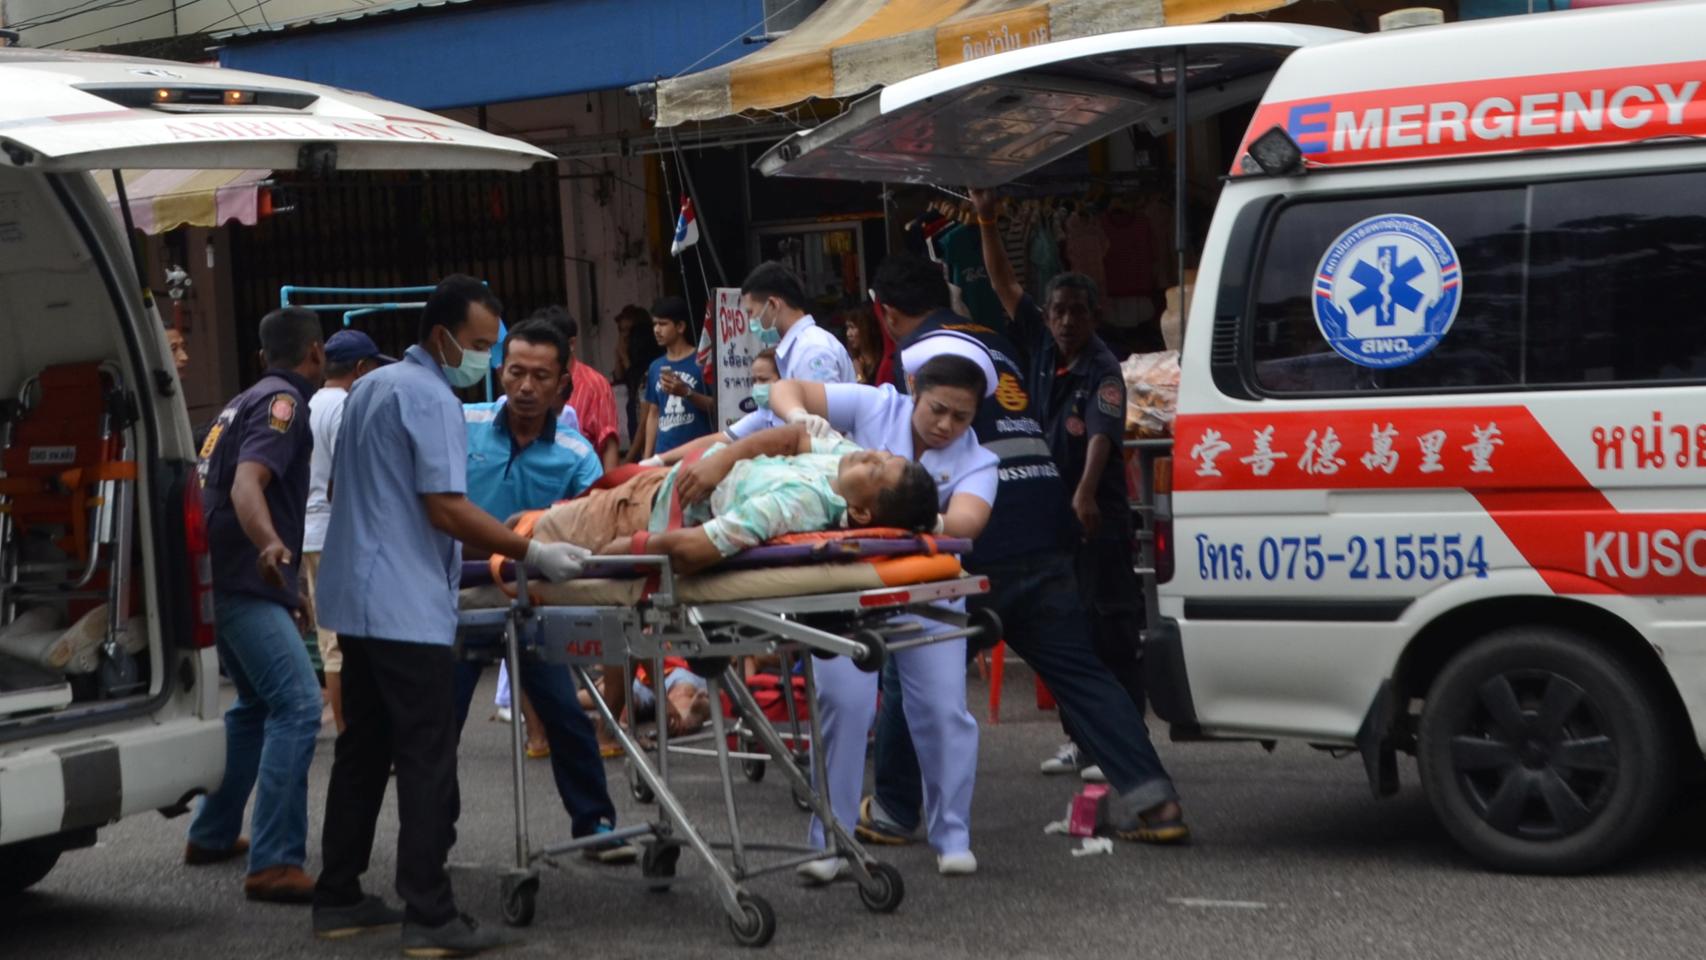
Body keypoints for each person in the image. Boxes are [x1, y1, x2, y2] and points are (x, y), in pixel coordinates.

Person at [861, 251, 1189, 849]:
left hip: (978, 528)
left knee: (912, 666)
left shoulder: (920, 360)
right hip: (1044, 517)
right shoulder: (996, 341)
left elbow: (905, 454)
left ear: (886, 315)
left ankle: (891, 809)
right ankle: (1155, 801)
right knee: (1081, 674)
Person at [311, 275, 589, 956]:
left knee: (366, 748)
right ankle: (430, 912)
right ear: (441, 338)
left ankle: (340, 894)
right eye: (480, 346)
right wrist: (534, 552)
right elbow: (445, 508)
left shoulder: (371, 386)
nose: (488, 364)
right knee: (428, 756)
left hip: (357, 595)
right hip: (404, 604)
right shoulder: (432, 396)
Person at [976, 187, 1181, 818]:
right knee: (1067, 634)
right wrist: (985, 220)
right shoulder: (1038, 344)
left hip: (1094, 521)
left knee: (1108, 630)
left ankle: (1123, 743)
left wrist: (1086, 494)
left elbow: (1102, 434)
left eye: (1075, 314)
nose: (1064, 322)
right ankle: (1080, 738)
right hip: (1050, 518)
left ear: (1094, 319)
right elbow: (1006, 283)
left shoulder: (1102, 368)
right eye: (1058, 311)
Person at [760, 355, 998, 878]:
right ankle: (831, 841)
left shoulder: (979, 460)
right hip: (846, 589)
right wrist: (804, 418)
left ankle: (952, 833)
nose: (946, 426)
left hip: (928, 593)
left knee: (940, 710)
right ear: (913, 387)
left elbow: (965, 524)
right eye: (938, 409)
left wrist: (904, 515)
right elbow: (786, 388)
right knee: (842, 705)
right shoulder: (875, 404)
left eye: (962, 417)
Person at [456, 318, 635, 864]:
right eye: (516, 372)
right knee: (433, 727)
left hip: (537, 606)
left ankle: (597, 826)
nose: (526, 387)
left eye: (540, 376)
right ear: (499, 371)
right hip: (459, 601)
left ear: (564, 384)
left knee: (563, 713)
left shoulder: (578, 457)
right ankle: (431, 842)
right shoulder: (461, 427)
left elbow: (590, 532)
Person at [184, 306, 327, 903]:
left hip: (226, 578)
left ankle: (213, 833)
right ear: (314, 352)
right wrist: (271, 547)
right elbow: (247, 485)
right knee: (297, 705)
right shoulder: (283, 405)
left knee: (253, 707)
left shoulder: (241, 400)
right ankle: (273, 863)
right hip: (245, 576)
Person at [514, 422, 939, 575]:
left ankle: (455, 549)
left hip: (640, 513)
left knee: (522, 538)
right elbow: (792, 436)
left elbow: (697, 549)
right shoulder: (842, 466)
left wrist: (630, 550)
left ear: (862, 512)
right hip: (666, 481)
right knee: (522, 521)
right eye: (884, 455)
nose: (869, 453)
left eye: (877, 468)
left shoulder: (795, 504)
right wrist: (724, 460)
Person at [302, 330, 392, 736]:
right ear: (360, 369)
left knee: (331, 641)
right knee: (347, 643)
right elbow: (351, 478)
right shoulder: (346, 407)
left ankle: (348, 731)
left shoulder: (309, 405)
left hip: (309, 533)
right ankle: (350, 732)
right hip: (339, 534)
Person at [531, 305, 620, 472]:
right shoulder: (529, 382)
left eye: (549, 343)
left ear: (571, 343)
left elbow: (608, 444)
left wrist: (609, 494)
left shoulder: (594, 384)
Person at [637, 296, 714, 460]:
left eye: (663, 324)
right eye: (654, 324)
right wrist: (648, 456)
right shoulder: (655, 367)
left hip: (697, 454)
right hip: (663, 455)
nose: (657, 330)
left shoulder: (701, 362)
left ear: (680, 326)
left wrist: (687, 393)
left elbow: (717, 406)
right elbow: (653, 413)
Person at [614, 304, 661, 456]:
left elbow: (638, 380)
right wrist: (620, 354)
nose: (625, 335)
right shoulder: (627, 349)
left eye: (628, 330)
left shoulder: (650, 359)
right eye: (622, 331)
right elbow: (619, 376)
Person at [839, 306, 886, 385]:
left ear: (866, 328)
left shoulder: (883, 360)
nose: (848, 334)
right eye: (847, 328)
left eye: (852, 327)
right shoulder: (851, 361)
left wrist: (859, 374)